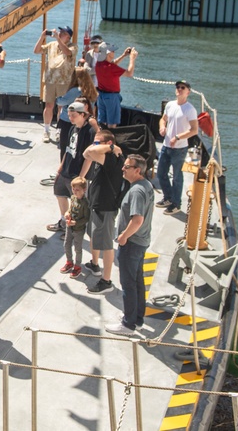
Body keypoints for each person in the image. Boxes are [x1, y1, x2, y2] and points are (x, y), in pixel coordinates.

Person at [105, 154, 155, 336]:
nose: (122, 169)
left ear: (137, 170)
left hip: (132, 243)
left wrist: (124, 236)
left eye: (127, 167)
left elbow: (138, 219)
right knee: (137, 281)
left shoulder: (136, 191)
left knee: (128, 284)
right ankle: (137, 318)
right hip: (142, 242)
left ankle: (128, 324)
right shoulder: (147, 185)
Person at [82, 129, 124, 295]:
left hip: (106, 207)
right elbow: (87, 153)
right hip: (96, 204)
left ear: (108, 144)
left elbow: (90, 151)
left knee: (107, 245)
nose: (94, 144)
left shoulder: (113, 159)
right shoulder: (104, 156)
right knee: (93, 235)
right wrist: (100, 146)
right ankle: (94, 264)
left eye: (98, 142)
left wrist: (112, 148)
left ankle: (106, 281)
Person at [48, 101, 94, 232]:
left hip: (77, 173)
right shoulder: (72, 128)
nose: (70, 118)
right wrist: (61, 167)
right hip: (66, 170)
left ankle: (74, 229)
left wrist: (81, 177)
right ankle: (64, 222)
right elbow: (68, 149)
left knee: (77, 203)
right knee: (60, 194)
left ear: (82, 114)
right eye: (69, 115)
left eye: (73, 115)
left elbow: (89, 158)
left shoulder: (89, 132)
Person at [156, 80, 198, 215]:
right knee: (161, 173)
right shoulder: (170, 105)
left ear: (188, 92)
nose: (179, 89)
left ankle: (176, 203)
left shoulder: (190, 109)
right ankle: (168, 197)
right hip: (166, 145)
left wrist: (178, 137)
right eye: (178, 87)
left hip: (179, 148)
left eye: (182, 87)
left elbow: (194, 130)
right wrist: (162, 127)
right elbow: (163, 119)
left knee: (177, 177)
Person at [33, 26, 77, 144]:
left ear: (68, 36)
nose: (60, 34)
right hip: (50, 80)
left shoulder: (73, 46)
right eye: (60, 32)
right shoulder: (52, 45)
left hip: (64, 81)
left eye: (63, 33)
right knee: (49, 105)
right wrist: (42, 37)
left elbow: (67, 53)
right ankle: (46, 130)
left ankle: (59, 129)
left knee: (61, 107)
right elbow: (36, 51)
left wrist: (58, 39)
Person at [56, 68, 99, 162]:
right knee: (80, 147)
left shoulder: (75, 91)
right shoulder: (91, 90)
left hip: (68, 122)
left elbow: (61, 102)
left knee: (65, 147)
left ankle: (64, 169)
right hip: (84, 122)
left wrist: (58, 95)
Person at [94, 42, 138, 129]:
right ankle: (110, 139)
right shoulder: (111, 68)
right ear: (108, 53)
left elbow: (112, 63)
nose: (114, 53)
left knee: (102, 122)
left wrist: (123, 55)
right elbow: (129, 73)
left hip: (101, 96)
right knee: (112, 123)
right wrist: (132, 59)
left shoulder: (98, 64)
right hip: (112, 97)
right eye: (112, 51)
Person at [60, 176, 90, 278]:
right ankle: (69, 262)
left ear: (84, 190)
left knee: (78, 249)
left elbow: (86, 218)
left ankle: (77, 266)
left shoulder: (85, 203)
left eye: (77, 190)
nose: (75, 191)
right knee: (66, 244)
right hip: (70, 227)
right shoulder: (73, 198)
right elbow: (70, 209)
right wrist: (67, 213)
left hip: (78, 230)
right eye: (73, 189)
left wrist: (76, 223)